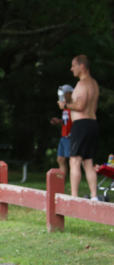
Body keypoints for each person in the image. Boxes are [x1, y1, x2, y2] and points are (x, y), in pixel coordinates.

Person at [58, 55, 100, 199]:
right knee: (88, 162)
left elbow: (80, 106)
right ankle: (94, 197)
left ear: (82, 67)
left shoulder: (82, 84)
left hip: (81, 125)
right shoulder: (94, 83)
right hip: (92, 124)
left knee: (74, 160)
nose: (71, 69)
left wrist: (64, 105)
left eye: (73, 66)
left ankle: (74, 198)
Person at [50, 85, 74, 176]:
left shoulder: (73, 106)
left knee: (73, 161)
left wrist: (72, 133)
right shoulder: (65, 108)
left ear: (68, 94)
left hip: (70, 136)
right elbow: (68, 120)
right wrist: (59, 121)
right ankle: (61, 183)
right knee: (60, 159)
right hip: (63, 136)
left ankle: (73, 184)